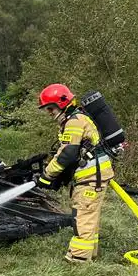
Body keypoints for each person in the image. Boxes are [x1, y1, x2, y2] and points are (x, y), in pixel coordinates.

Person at [35, 83, 114, 264]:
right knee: (89, 213)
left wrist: (47, 175)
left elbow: (68, 153)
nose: (49, 113)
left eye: (50, 108)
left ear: (62, 103)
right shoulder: (75, 119)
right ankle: (90, 253)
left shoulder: (74, 122)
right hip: (94, 175)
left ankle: (78, 257)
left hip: (92, 176)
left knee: (83, 214)